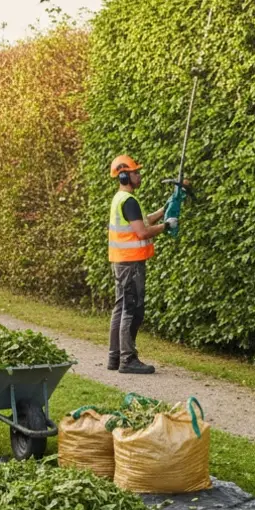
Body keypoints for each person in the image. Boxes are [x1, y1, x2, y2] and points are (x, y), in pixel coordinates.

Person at [106, 154, 175, 375]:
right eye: (135, 173)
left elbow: (142, 222)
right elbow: (143, 232)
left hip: (121, 261)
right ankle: (128, 359)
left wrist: (163, 211)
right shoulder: (129, 201)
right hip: (131, 263)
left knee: (121, 308)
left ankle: (115, 357)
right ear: (124, 176)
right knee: (131, 310)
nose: (139, 176)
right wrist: (167, 226)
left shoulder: (120, 199)